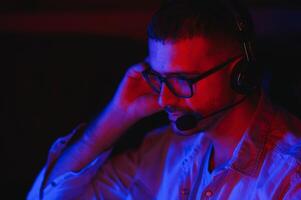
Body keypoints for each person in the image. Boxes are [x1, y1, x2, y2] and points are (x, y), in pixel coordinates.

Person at [28, 0, 301, 199]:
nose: (163, 98)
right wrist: (116, 115)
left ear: (241, 74)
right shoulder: (162, 151)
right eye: (158, 78)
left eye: (182, 79)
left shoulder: (290, 178)